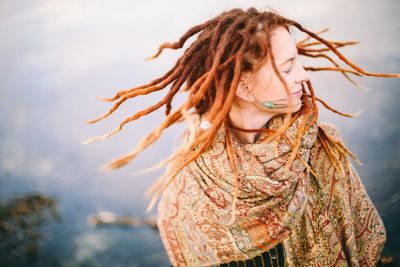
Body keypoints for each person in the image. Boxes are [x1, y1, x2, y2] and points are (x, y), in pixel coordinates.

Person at [84, 7, 400, 266]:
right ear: (244, 87)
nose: (303, 75)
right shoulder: (191, 180)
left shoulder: (321, 148)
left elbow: (362, 244)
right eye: (289, 67)